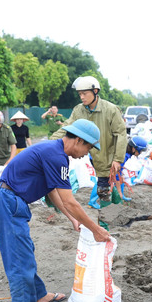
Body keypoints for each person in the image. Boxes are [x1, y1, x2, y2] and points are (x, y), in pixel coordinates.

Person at [0, 119, 110, 302]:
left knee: (25, 252)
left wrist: (72, 219)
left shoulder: (54, 152)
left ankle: (39, 296)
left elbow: (52, 191)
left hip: (11, 201)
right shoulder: (57, 156)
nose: (87, 153)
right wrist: (95, 229)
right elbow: (70, 200)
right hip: (7, 201)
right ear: (78, 140)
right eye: (88, 147)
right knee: (19, 260)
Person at [50, 76, 127, 208]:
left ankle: (107, 222)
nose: (82, 97)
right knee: (104, 187)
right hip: (87, 155)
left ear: (95, 91)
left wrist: (118, 159)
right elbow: (67, 128)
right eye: (80, 94)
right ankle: (117, 212)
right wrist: (50, 143)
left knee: (103, 190)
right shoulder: (79, 110)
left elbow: (120, 134)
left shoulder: (111, 109)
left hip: (106, 156)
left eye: (85, 93)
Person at [114, 136, 148, 201]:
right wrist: (119, 191)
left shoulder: (127, 153)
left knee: (121, 177)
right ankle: (93, 201)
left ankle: (121, 196)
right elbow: (116, 173)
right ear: (134, 148)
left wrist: (121, 176)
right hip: (101, 161)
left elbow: (119, 169)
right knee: (104, 179)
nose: (140, 153)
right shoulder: (123, 155)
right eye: (140, 150)